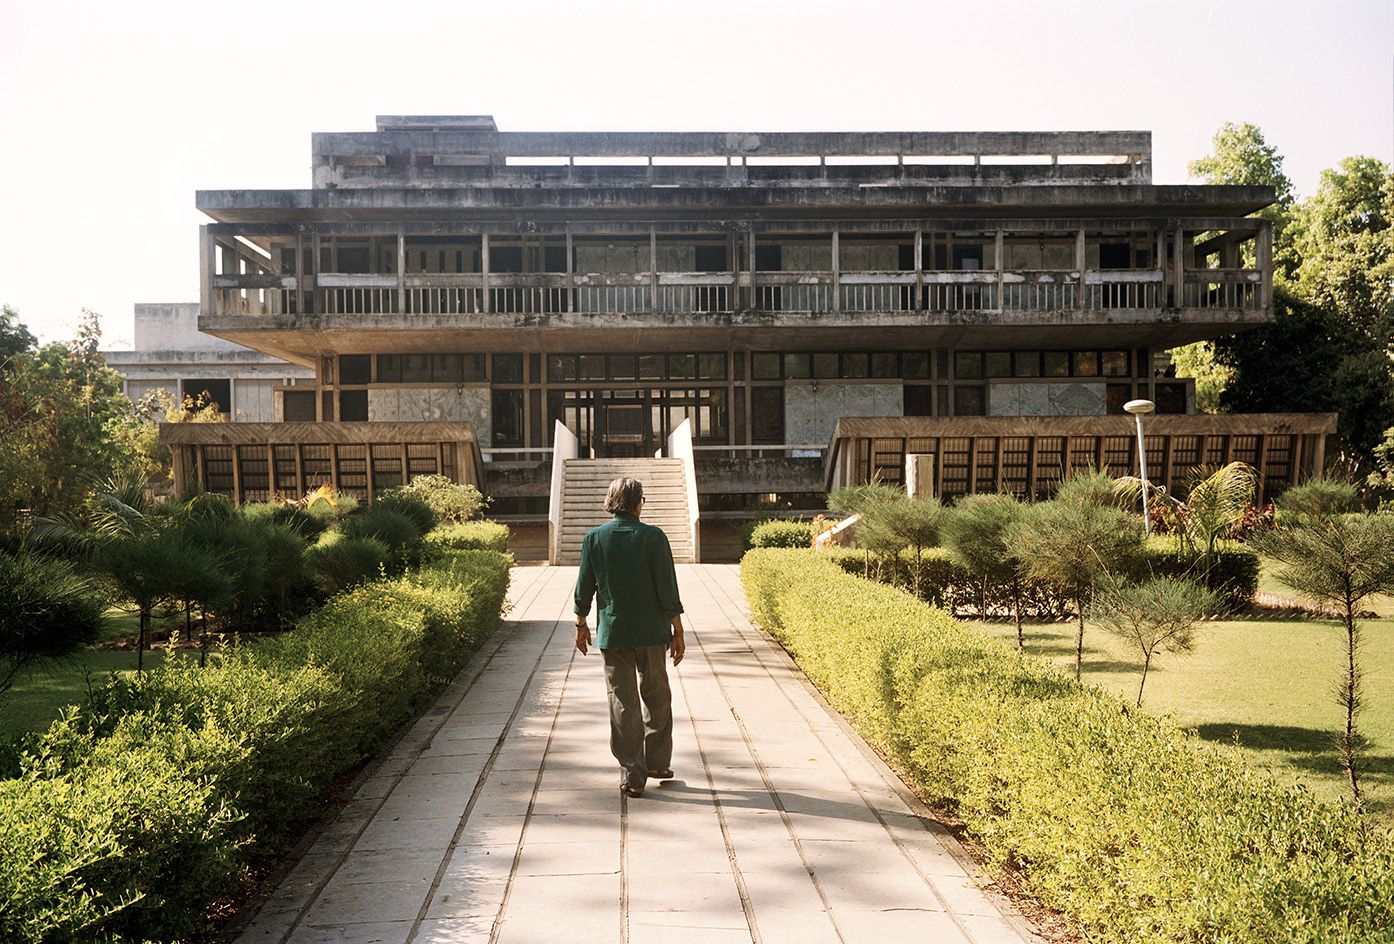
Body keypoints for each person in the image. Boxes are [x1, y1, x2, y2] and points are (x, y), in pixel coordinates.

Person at [573, 476, 686, 798]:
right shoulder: (654, 538)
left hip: (615, 632)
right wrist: (677, 630)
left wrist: (580, 624)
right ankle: (658, 763)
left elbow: (585, 588)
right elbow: (668, 589)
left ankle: (634, 774)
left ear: (611, 502)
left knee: (623, 702)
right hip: (652, 632)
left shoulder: (595, 539)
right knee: (657, 695)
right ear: (639, 503)